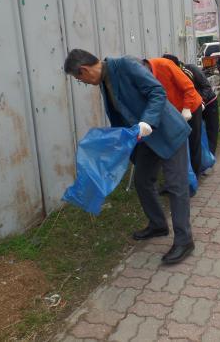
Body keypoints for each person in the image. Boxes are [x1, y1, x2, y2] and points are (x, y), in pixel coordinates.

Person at [63, 49, 194, 264]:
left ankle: (184, 241)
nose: (83, 83)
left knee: (175, 186)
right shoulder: (105, 80)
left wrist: (147, 121)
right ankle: (158, 225)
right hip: (146, 139)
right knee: (142, 181)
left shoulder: (125, 65)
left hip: (167, 132)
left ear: (83, 70)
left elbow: (157, 91)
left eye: (80, 79)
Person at [142, 57, 203, 177]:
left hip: (191, 107)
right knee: (177, 144)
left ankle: (195, 176)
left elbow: (189, 87)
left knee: (193, 142)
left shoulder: (165, 65)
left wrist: (187, 108)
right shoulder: (144, 77)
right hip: (174, 113)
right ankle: (179, 177)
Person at [162, 53, 219, 156]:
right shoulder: (170, 74)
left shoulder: (190, 69)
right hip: (192, 106)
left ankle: (210, 156)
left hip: (209, 102)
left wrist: (202, 101)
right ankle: (201, 157)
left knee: (211, 130)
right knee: (196, 133)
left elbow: (206, 87)